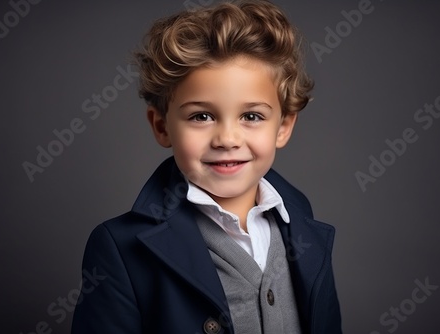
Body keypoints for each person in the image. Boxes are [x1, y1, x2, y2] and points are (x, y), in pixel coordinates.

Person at [71, 1, 342, 333]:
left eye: (251, 116)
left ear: (283, 126)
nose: (227, 138)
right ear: (162, 127)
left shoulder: (302, 222)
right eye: (202, 116)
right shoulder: (119, 248)